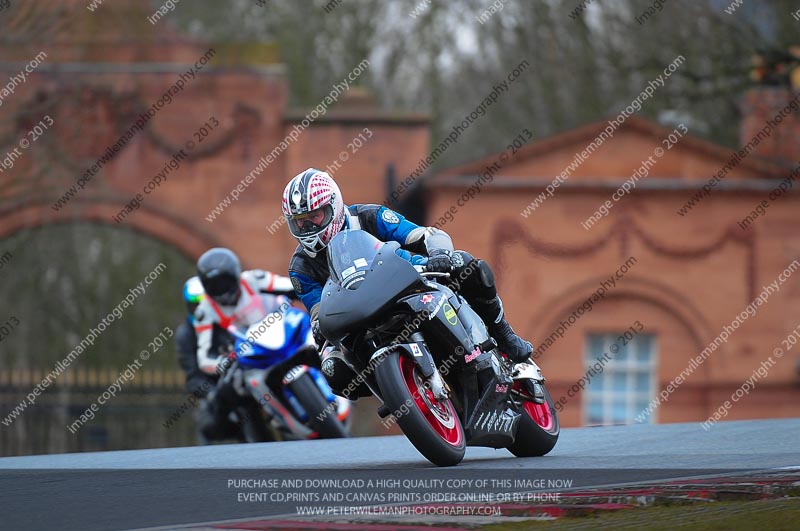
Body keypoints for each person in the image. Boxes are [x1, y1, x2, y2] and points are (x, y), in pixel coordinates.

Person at [282, 168, 532, 393]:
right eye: (299, 222)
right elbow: (318, 311)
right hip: (358, 316)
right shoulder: (300, 268)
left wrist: (439, 254)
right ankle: (395, 392)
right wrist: (319, 328)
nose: (307, 227)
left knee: (468, 265)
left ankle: (504, 334)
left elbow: (422, 235)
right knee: (332, 368)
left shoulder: (370, 216)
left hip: (407, 278)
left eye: (314, 216)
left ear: (333, 207)